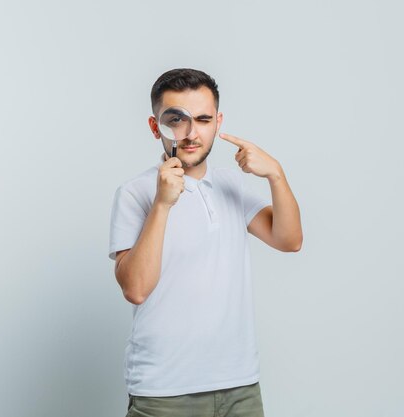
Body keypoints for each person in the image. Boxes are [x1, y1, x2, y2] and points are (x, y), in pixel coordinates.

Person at [108, 68, 302, 417]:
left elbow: (289, 240)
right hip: (165, 392)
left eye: (202, 119)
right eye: (176, 119)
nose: (191, 132)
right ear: (156, 127)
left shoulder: (233, 185)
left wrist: (276, 173)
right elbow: (135, 288)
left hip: (239, 385)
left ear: (218, 122)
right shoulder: (135, 193)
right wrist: (163, 203)